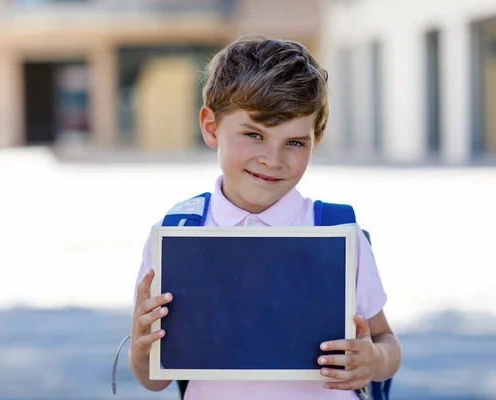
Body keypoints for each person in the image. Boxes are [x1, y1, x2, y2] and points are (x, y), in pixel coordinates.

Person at [128, 35, 402, 400]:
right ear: (211, 127)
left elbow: (386, 340)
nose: (273, 159)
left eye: (294, 142)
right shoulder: (176, 237)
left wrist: (374, 360)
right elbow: (154, 379)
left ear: (315, 140)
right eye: (254, 134)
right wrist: (141, 345)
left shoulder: (337, 233)